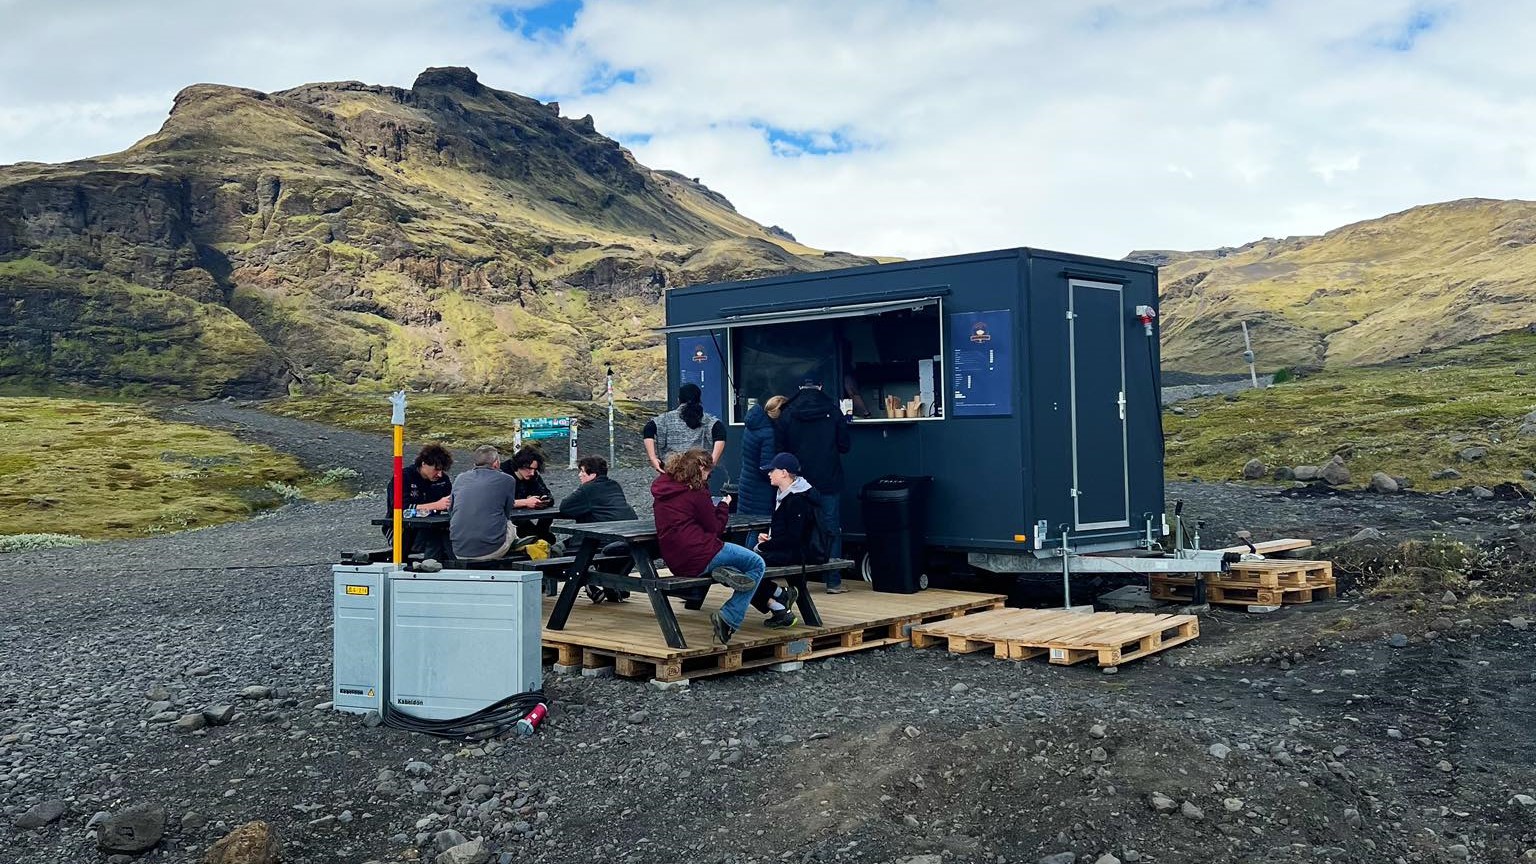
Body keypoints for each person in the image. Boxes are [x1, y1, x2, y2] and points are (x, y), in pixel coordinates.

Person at [650, 449, 765, 644]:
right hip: (701, 553)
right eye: (708, 472)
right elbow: (715, 528)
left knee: (735, 563)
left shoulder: (663, 489)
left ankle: (725, 572)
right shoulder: (696, 492)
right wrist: (724, 506)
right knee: (756, 563)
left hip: (675, 560)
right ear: (700, 468)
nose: (708, 476)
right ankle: (730, 617)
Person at [775, 374, 852, 592]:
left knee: (798, 527)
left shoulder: (787, 413)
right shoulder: (833, 410)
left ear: (799, 387)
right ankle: (833, 580)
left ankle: (798, 582)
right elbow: (845, 445)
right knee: (830, 528)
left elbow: (780, 450)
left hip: (798, 482)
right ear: (821, 385)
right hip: (829, 478)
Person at [450, 445, 532, 562]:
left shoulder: (460, 478)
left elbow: (451, 510)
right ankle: (515, 545)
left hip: (459, 551)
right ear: (496, 463)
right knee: (510, 525)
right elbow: (507, 512)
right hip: (491, 550)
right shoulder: (507, 480)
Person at [382, 443, 454, 560]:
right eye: (436, 469)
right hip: (400, 528)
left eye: (442, 470)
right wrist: (435, 505)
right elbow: (402, 510)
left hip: (431, 527)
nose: (439, 474)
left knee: (445, 532)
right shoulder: (403, 477)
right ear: (424, 463)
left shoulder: (443, 480)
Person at [644, 383, 725, 474]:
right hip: (698, 472)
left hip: (671, 470)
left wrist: (653, 458)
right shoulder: (708, 420)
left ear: (678, 400)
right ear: (699, 400)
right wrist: (711, 465)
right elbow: (720, 434)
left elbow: (648, 429)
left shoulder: (665, 419)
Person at [737, 398, 781, 534]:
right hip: (761, 491)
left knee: (749, 528)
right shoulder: (769, 433)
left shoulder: (752, 425)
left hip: (747, 483)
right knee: (759, 529)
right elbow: (766, 467)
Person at [561, 455, 638, 524]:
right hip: (629, 524)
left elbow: (565, 507)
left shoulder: (588, 488)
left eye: (582, 471)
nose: (579, 475)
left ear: (593, 475)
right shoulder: (614, 485)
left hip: (607, 530)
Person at [503, 446, 556, 544]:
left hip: (522, 518)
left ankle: (541, 536)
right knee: (543, 539)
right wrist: (525, 502)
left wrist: (543, 499)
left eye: (535, 470)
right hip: (505, 521)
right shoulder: (503, 474)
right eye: (529, 469)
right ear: (519, 465)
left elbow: (547, 494)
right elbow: (498, 502)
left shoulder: (532, 476)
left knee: (547, 536)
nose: (532, 473)